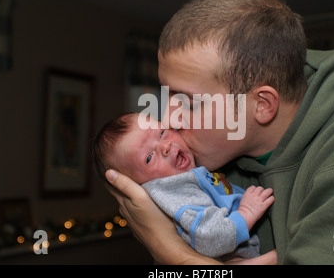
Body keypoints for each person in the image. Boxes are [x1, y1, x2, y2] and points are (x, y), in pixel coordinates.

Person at [104, 0, 334, 264]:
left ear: (262, 105)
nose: (170, 116)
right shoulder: (207, 160)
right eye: (166, 95)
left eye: (188, 100)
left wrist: (168, 248)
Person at [93, 112, 275, 262]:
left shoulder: (191, 171)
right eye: (148, 158)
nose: (165, 146)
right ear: (138, 185)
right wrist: (247, 212)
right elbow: (209, 238)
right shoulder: (173, 192)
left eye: (162, 132)